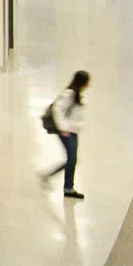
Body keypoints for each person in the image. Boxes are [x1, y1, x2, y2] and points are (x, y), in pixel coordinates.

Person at [45, 70, 88, 199]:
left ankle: (63, 184)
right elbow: (56, 109)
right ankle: (68, 188)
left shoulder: (77, 93)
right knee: (72, 158)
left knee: (72, 159)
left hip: (72, 130)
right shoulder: (70, 93)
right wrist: (63, 128)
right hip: (66, 131)